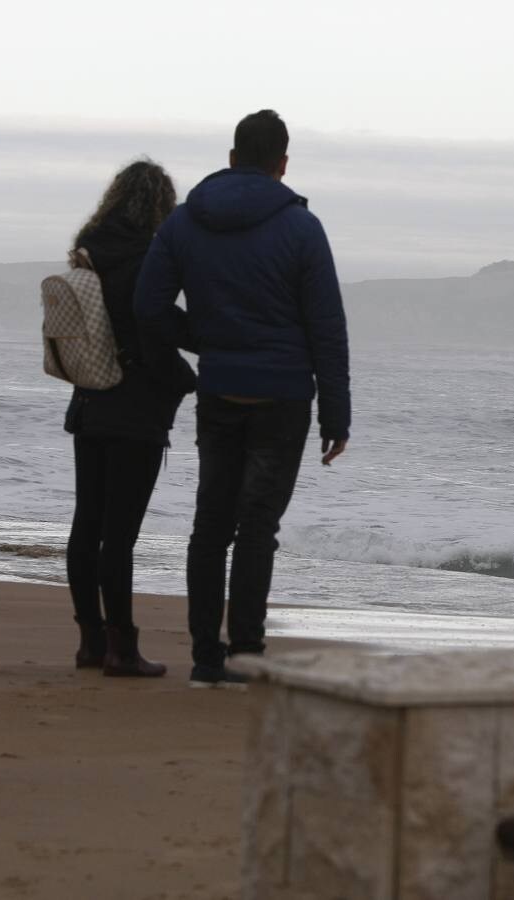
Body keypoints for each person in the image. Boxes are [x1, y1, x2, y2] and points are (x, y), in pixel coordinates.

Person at [135, 110, 351, 688]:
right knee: (258, 528)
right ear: (282, 164)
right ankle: (246, 653)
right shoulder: (302, 229)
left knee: (211, 525)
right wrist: (337, 413)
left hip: (221, 388)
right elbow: (326, 326)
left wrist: (202, 339)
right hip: (282, 397)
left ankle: (207, 657)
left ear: (232, 158)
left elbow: (148, 307)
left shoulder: (183, 224)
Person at [64, 159, 196, 677]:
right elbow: (156, 319)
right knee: (120, 534)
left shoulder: (89, 244)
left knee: (86, 525)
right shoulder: (153, 253)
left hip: (90, 397)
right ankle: (123, 648)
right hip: (136, 405)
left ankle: (91, 641)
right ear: (160, 205)